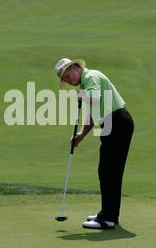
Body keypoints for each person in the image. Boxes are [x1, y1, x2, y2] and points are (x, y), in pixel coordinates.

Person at [54, 57, 134, 230]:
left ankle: (109, 217)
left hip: (117, 122)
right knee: (106, 171)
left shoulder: (91, 77)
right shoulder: (86, 85)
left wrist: (84, 96)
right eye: (65, 80)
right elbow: (92, 113)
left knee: (109, 171)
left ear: (75, 67)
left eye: (68, 76)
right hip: (111, 124)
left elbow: (95, 98)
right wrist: (81, 134)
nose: (68, 81)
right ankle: (108, 213)